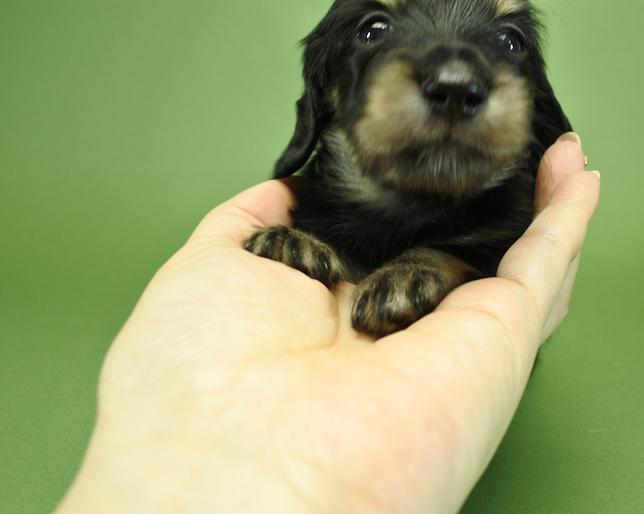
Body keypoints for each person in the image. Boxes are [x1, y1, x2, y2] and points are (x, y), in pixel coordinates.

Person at [55, 133, 599, 513]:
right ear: (324, 91)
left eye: (508, 43)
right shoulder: (306, 215)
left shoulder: (496, 223)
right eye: (374, 29)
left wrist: (440, 265)